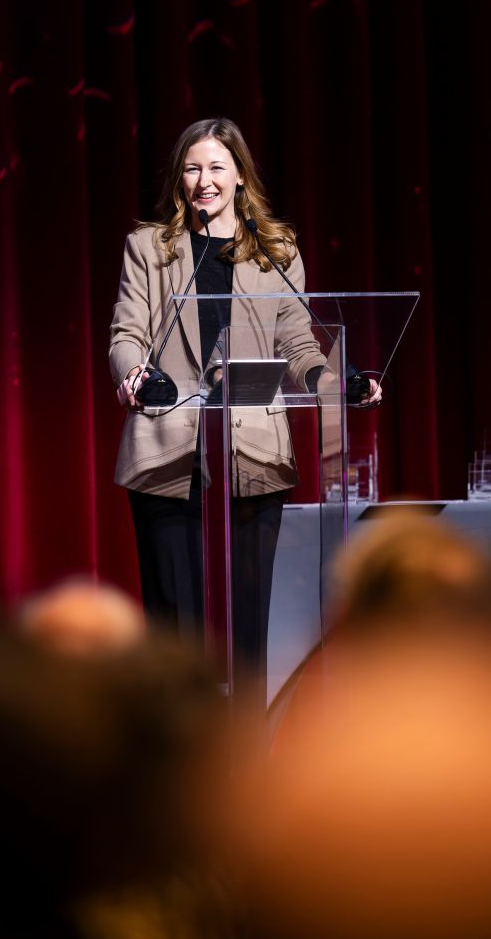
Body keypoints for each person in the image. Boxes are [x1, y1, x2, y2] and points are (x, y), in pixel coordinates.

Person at [108, 117, 378, 706]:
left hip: (253, 449)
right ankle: (179, 737)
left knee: (248, 622)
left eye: (216, 167)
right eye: (192, 168)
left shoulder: (276, 252)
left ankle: (248, 742)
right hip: (167, 447)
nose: (203, 180)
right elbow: (127, 333)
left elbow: (299, 344)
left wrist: (335, 383)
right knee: (175, 625)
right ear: (179, 178)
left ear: (239, 176)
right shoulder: (150, 248)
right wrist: (135, 373)